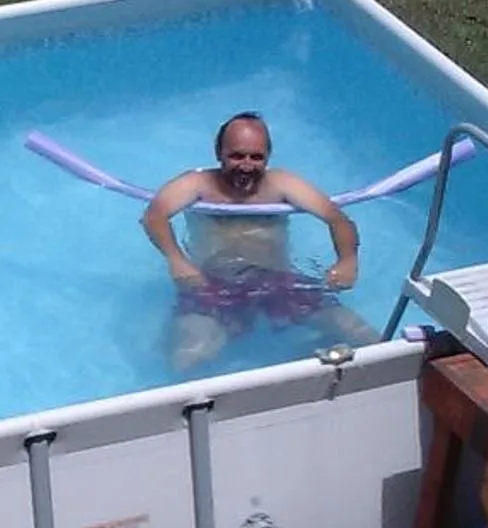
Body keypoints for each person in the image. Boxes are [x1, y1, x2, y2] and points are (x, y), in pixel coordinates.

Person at [140, 112, 378, 369]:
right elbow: (154, 217)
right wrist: (177, 261)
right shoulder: (197, 184)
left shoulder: (281, 184)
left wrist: (347, 260)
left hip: (278, 282)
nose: (246, 165)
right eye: (236, 155)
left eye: (256, 157)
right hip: (214, 285)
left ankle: (305, 349)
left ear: (268, 157)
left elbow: (338, 219)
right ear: (219, 153)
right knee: (186, 360)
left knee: (364, 337)